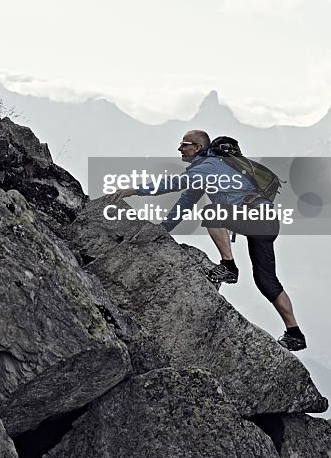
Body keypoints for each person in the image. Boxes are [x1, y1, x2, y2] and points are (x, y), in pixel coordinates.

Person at [118, 130, 307, 352]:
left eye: (184, 144)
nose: (180, 149)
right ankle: (295, 334)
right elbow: (184, 204)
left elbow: (172, 183)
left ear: (197, 147)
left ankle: (228, 266)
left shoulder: (209, 166)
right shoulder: (205, 171)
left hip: (259, 219)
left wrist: (134, 190)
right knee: (266, 281)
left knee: (211, 212)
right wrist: (161, 231)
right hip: (265, 222)